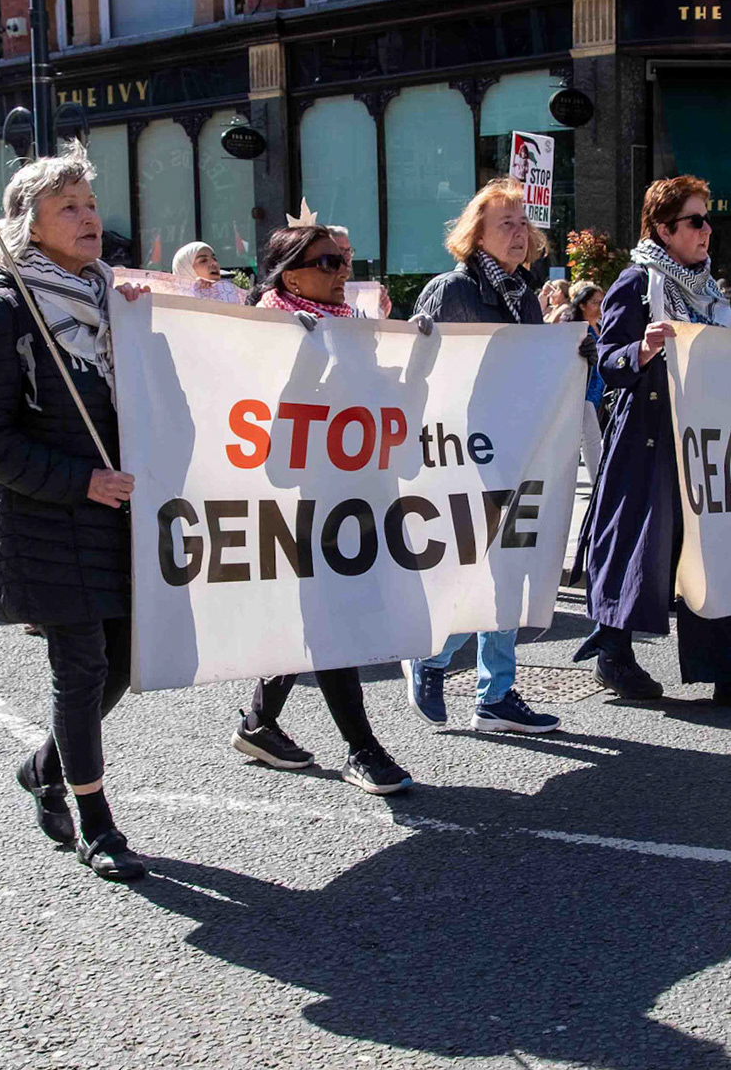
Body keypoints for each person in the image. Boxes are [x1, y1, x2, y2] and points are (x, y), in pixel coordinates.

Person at [0, 141, 151, 882]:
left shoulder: (112, 299)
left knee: (123, 663)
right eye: (68, 207)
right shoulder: (3, 307)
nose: (88, 217)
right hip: (44, 517)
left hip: (113, 513)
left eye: (91, 204)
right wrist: (80, 482)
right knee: (82, 666)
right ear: (28, 226)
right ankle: (97, 824)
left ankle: (43, 767)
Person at [573, 175, 731, 711]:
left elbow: (723, 360)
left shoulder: (710, 290)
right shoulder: (636, 282)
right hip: (650, 438)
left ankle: (728, 668)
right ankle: (613, 653)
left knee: (715, 547)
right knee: (640, 546)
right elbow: (609, 362)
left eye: (707, 219)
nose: (706, 230)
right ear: (664, 230)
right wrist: (640, 351)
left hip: (707, 442)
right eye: (695, 221)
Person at [227, 224, 416, 792]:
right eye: (328, 263)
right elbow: (272, 412)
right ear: (292, 277)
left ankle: (259, 723)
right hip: (297, 497)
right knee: (332, 618)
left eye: (344, 261)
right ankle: (362, 748)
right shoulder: (270, 329)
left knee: (318, 615)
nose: (342, 272)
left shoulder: (348, 326)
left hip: (351, 488)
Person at [403, 179, 562, 735]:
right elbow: (420, 371)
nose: (519, 234)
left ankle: (495, 695)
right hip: (465, 453)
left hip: (516, 448)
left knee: (508, 570)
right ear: (476, 234)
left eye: (523, 224)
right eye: (506, 224)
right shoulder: (452, 289)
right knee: (475, 568)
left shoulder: (524, 293)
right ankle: (431, 657)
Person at [551, 279, 606, 478]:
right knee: (591, 437)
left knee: (586, 437)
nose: (600, 306)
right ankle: (597, 482)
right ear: (582, 305)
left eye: (602, 302)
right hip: (580, 389)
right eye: (595, 302)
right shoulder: (574, 328)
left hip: (598, 389)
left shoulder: (601, 326)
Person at [171, 240, 247, 305]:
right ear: (186, 269)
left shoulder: (230, 293)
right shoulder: (172, 304)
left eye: (214, 258)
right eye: (203, 260)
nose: (214, 263)